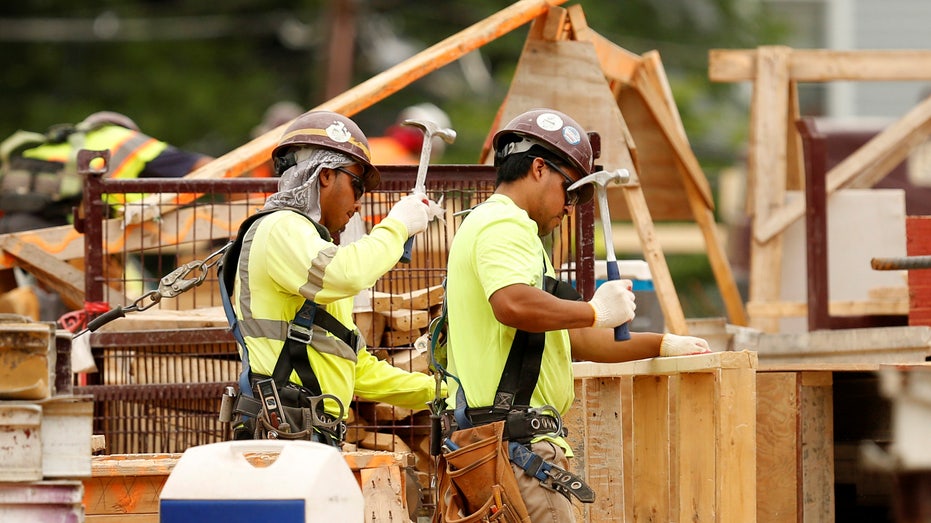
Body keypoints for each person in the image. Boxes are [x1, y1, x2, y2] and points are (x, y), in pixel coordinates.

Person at [443, 108, 711, 520]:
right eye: (568, 189)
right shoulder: (505, 226)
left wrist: (663, 343)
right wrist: (593, 309)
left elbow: (579, 339)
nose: (569, 205)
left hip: (503, 447)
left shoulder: (510, 235)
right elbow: (512, 304)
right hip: (517, 448)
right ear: (537, 168)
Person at [226, 110, 445, 446]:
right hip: (283, 435)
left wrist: (446, 392)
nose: (359, 203)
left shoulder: (316, 254)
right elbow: (347, 273)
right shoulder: (281, 228)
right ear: (324, 175)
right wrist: (398, 224)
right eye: (356, 185)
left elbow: (356, 368)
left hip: (306, 433)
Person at [0, 111, 213, 321]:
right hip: (61, 232)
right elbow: (208, 168)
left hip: (8, 231)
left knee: (16, 314)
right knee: (95, 306)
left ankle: (23, 309)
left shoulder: (51, 146)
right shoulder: (124, 139)